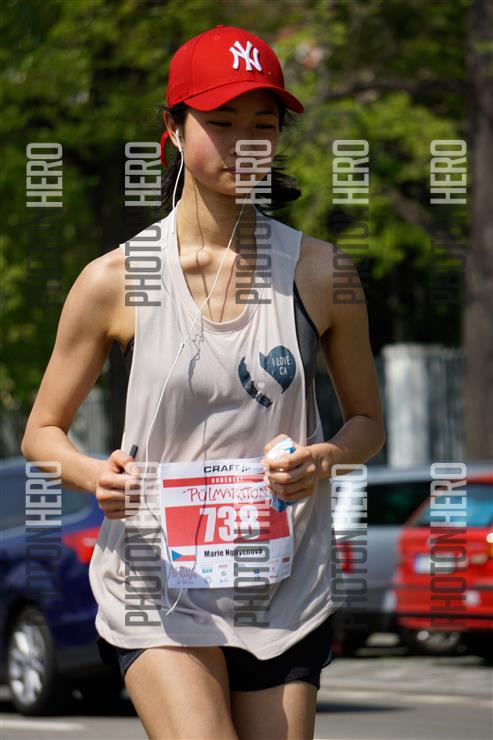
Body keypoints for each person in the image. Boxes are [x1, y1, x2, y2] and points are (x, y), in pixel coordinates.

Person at [21, 24, 385, 740]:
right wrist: (96, 475)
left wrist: (323, 459)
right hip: (156, 582)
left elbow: (368, 423)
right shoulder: (115, 279)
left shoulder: (322, 274)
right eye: (221, 122)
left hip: (282, 584)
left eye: (263, 125)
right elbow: (41, 431)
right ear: (173, 128)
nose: (244, 143)